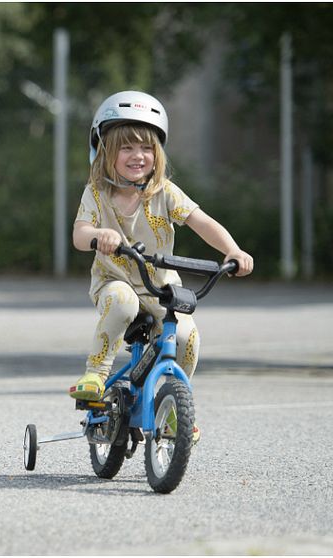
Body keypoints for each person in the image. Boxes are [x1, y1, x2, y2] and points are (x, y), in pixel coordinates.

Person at [69, 91, 254, 441]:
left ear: (158, 154)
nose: (138, 156)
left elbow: (202, 222)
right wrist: (99, 235)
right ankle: (95, 373)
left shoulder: (164, 193)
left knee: (187, 335)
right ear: (105, 151)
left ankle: (170, 405)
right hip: (115, 281)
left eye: (147, 148)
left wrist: (233, 250)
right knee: (122, 300)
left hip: (160, 287)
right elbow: (80, 235)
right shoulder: (96, 193)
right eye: (126, 148)